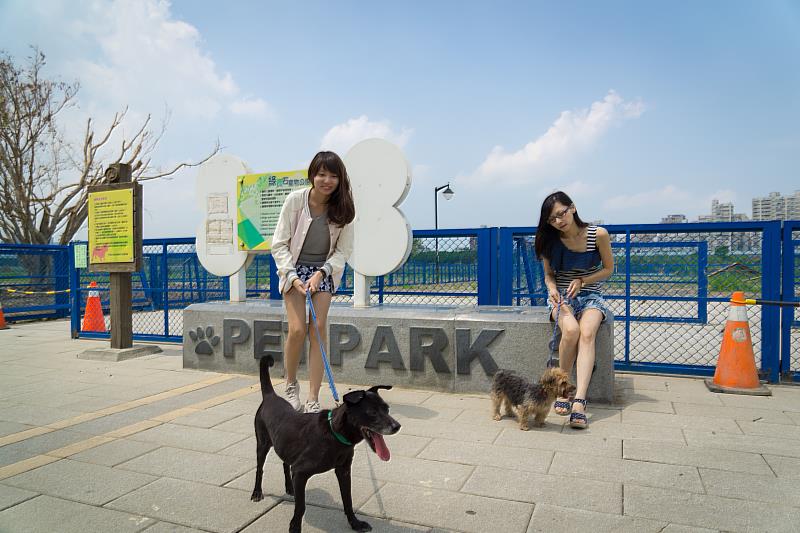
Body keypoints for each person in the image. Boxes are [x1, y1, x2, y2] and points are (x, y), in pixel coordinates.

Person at [270, 151, 355, 413]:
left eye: (333, 175)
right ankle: (291, 384)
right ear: (312, 176)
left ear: (340, 179)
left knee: (318, 327)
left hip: (324, 271)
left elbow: (343, 251)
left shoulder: (344, 209)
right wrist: (293, 277)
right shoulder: (295, 200)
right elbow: (279, 244)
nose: (326, 180)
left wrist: (322, 273)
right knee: (297, 329)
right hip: (293, 268)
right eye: (321, 174)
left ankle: (313, 397)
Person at [534, 191, 614, 428]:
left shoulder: (598, 235)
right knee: (571, 331)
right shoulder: (549, 240)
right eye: (552, 219)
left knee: (587, 333)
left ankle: (579, 400)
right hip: (562, 297)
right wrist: (551, 289)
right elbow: (549, 275)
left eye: (561, 213)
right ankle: (562, 392)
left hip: (591, 295)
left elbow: (609, 269)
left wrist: (582, 281)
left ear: (573, 208)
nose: (559, 220)